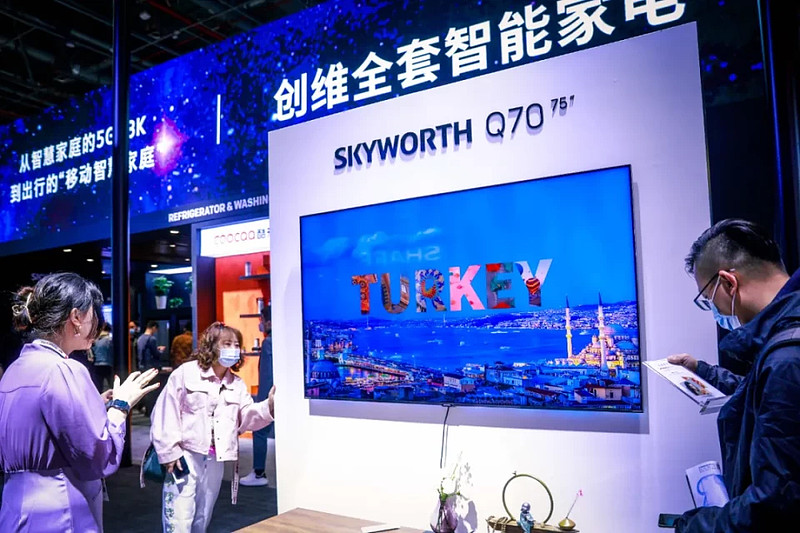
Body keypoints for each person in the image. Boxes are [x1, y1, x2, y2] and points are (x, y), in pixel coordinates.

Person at [666, 219, 800, 532]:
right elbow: (764, 395)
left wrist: (694, 525)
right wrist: (702, 371)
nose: (714, 312)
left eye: (708, 300)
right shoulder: (784, 345)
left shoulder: (786, 358)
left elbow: (773, 506)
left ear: (728, 284)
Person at [0, 272, 160, 532]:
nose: (96, 324)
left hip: (15, 505)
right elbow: (97, 456)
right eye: (93, 314)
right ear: (76, 317)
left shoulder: (16, 368)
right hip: (60, 508)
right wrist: (120, 406)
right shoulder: (64, 369)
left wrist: (93, 405)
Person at [150, 321, 276, 532]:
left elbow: (246, 416)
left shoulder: (236, 384)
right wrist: (169, 451)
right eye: (227, 343)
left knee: (203, 516)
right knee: (178, 519)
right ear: (211, 346)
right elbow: (165, 411)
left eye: (237, 345)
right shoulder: (186, 373)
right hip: (185, 457)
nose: (233, 349)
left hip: (216, 459)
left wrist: (269, 407)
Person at [240, 305, 274, 487]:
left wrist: (263, 403)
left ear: (269, 321)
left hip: (271, 397)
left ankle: (259, 472)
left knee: (259, 431)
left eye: (262, 320)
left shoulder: (268, 343)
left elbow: (267, 376)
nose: (261, 324)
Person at [92, 322, 114, 393]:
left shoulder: (96, 340)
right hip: (108, 364)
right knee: (112, 385)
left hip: (96, 365)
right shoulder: (110, 340)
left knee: (98, 387)